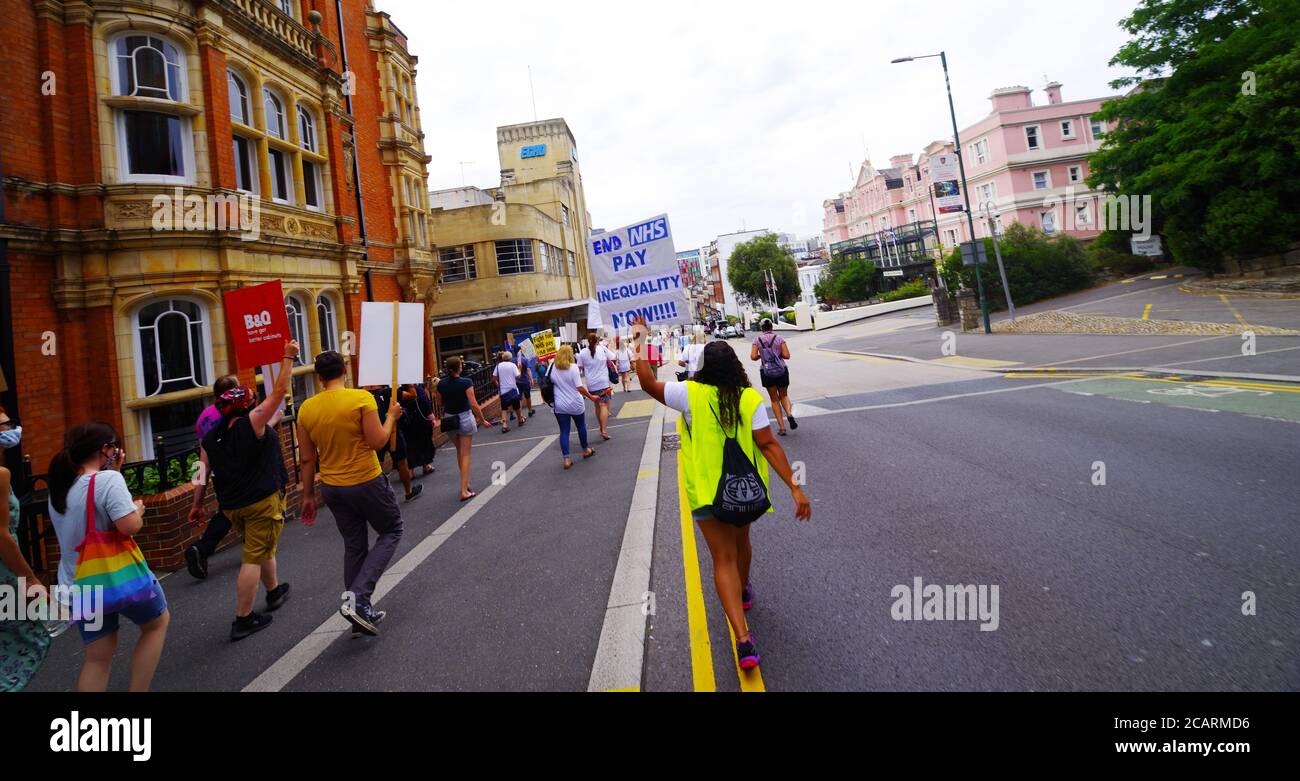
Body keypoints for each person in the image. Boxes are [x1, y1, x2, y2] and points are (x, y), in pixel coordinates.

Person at [631, 315, 810, 669]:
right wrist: (795, 487)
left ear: (702, 368)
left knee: (721, 559)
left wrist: (640, 339)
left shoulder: (689, 394)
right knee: (742, 545)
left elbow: (648, 383)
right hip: (744, 493)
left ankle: (744, 643)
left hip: (707, 494)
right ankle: (743, 591)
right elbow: (770, 445)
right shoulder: (749, 398)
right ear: (736, 366)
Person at [47, 422, 169, 691]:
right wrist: (138, 511)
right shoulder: (109, 481)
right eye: (114, 446)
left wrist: (113, 473)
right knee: (156, 625)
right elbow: (128, 527)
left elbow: (90, 503)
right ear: (106, 449)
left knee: (97, 658)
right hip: (119, 578)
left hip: (81, 585)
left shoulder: (60, 488)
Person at [190, 341, 297, 640]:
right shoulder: (251, 424)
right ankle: (243, 618)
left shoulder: (210, 437)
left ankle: (274, 590)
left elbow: (202, 471)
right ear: (246, 404)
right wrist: (287, 357)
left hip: (232, 506)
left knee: (258, 547)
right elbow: (277, 395)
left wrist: (196, 505)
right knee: (252, 557)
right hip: (260, 501)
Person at [296, 351, 404, 637]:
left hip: (332, 487)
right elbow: (378, 441)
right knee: (392, 530)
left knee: (355, 546)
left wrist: (308, 496)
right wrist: (392, 417)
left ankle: (358, 611)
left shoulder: (306, 409)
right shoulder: (361, 399)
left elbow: (307, 460)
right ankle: (358, 598)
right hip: (365, 480)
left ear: (319, 377)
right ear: (344, 370)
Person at [0, 406, 51, 691]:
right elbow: (1, 535)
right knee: (34, 638)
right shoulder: (1, 474)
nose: (11, 430)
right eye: (5, 425)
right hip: (5, 572)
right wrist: (29, 578)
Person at [184, 373, 241, 580]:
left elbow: (203, 460)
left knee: (228, 511)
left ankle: (201, 549)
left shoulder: (203, 418)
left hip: (219, 475)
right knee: (235, 512)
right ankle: (203, 548)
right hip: (241, 472)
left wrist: (196, 501)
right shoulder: (236, 413)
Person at [433, 356, 490, 502]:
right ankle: (464, 490)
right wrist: (482, 419)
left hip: (450, 418)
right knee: (466, 454)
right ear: (460, 367)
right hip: (464, 417)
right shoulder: (466, 382)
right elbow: (473, 403)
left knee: (460, 451)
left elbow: (439, 403)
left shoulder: (441, 384)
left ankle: (466, 483)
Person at [370, 386, 423, 502]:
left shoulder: (364, 396)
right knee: (402, 462)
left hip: (375, 434)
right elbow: (412, 395)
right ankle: (408, 492)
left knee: (377, 467)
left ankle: (378, 498)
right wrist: (410, 385)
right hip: (391, 431)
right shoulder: (389, 392)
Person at [549, 345, 597, 469]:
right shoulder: (573, 368)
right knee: (581, 426)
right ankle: (585, 450)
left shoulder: (551, 367)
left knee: (564, 431)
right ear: (571, 355)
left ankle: (566, 459)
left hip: (559, 405)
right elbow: (579, 387)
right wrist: (591, 397)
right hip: (575, 403)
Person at [751, 318, 796, 436]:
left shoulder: (757, 340)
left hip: (767, 372)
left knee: (774, 399)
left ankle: (782, 428)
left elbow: (753, 356)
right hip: (781, 370)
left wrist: (763, 355)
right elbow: (787, 355)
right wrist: (776, 354)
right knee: (784, 395)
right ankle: (789, 415)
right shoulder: (779, 338)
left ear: (761, 328)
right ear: (772, 327)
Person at [575, 332, 616, 440]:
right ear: (597, 340)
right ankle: (603, 429)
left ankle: (601, 427)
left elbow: (579, 367)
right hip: (603, 382)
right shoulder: (602, 348)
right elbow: (613, 356)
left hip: (591, 384)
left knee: (597, 405)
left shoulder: (583, 352)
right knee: (604, 405)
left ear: (588, 341)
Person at [399, 383, 436, 476]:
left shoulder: (399, 392)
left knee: (409, 446)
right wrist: (431, 418)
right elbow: (425, 404)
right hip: (420, 421)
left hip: (405, 422)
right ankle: (426, 465)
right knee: (423, 443)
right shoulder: (418, 390)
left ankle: (410, 471)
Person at [493, 351, 524, 433]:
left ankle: (504, 425)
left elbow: (494, 378)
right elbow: (518, 377)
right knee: (516, 406)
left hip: (503, 391)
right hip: (512, 389)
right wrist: (520, 369)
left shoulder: (498, 366)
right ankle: (520, 420)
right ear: (510, 358)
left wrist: (498, 385)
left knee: (504, 409)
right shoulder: (513, 365)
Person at [515, 349, 536, 419]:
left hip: (517, 381)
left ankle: (520, 414)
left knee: (519, 398)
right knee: (527, 396)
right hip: (525, 381)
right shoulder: (524, 359)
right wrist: (531, 379)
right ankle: (530, 411)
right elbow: (528, 370)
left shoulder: (513, 360)